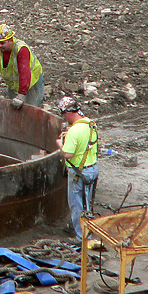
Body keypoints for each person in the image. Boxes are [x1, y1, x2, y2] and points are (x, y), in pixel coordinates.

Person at [56, 96, 98, 243]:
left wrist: (60, 144)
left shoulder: (74, 131)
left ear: (67, 112)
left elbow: (67, 153)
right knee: (88, 203)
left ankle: (82, 237)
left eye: (63, 114)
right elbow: (86, 142)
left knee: (77, 205)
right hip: (92, 169)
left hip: (79, 173)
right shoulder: (90, 123)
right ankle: (87, 231)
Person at [0, 24, 44, 109]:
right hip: (14, 84)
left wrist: (21, 94)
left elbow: (24, 73)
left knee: (32, 109)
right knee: (13, 110)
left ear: (10, 40)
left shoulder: (21, 49)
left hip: (32, 82)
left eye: (2, 43)